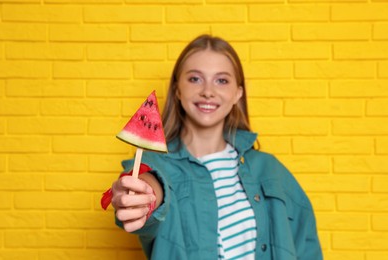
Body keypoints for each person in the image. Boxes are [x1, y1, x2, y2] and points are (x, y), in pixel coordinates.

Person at [111, 34, 323, 260]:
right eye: (195, 79)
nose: (208, 91)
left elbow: (306, 246)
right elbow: (152, 185)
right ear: (177, 89)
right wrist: (144, 197)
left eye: (221, 80)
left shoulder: (270, 169)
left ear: (237, 93)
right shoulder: (156, 166)